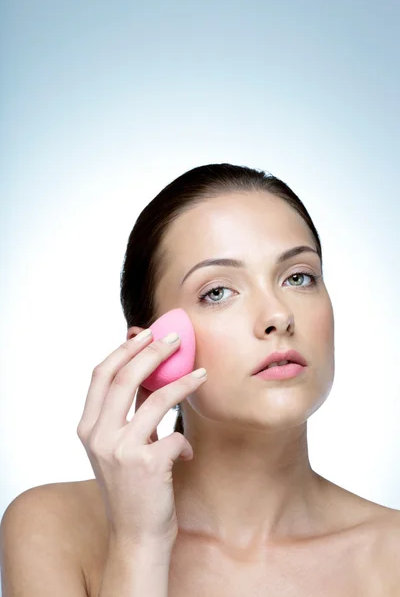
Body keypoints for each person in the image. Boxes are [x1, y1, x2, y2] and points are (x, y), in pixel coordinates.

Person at [1, 163, 399, 596]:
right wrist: (139, 543)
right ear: (151, 350)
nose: (278, 316)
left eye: (298, 277)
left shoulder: (390, 554)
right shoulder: (52, 529)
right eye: (217, 292)